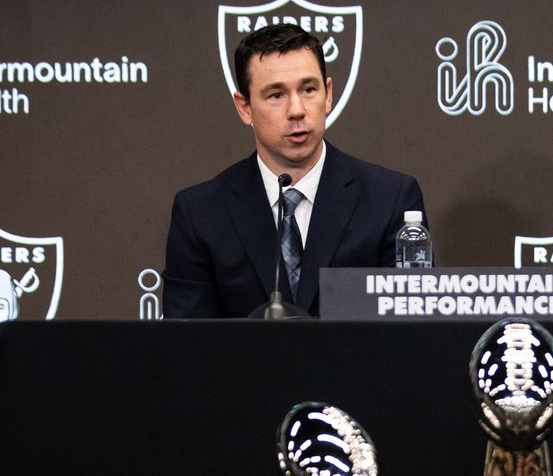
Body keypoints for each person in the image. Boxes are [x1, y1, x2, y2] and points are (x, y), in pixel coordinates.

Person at [163, 25, 425, 318]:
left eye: (308, 89)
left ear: (327, 94)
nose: (297, 110)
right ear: (244, 107)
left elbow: (408, 334)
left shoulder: (390, 199)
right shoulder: (201, 214)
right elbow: (186, 346)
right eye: (276, 95)